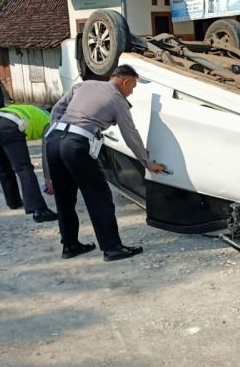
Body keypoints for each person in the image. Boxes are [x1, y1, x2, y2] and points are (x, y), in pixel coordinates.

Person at [45, 65, 165, 261]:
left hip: (55, 138)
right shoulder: (117, 100)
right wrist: (147, 163)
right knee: (98, 196)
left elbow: (57, 110)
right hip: (76, 145)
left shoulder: (83, 85)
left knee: (64, 197)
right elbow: (130, 134)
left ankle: (70, 246)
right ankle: (112, 248)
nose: (132, 92)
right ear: (125, 81)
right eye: (132, 87)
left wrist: (48, 171)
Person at [0, 104, 58, 223]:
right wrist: (49, 178)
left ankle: (13, 201)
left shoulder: (33, 110)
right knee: (23, 168)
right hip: (9, 125)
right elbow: (46, 153)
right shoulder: (50, 120)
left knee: (3, 166)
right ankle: (38, 209)